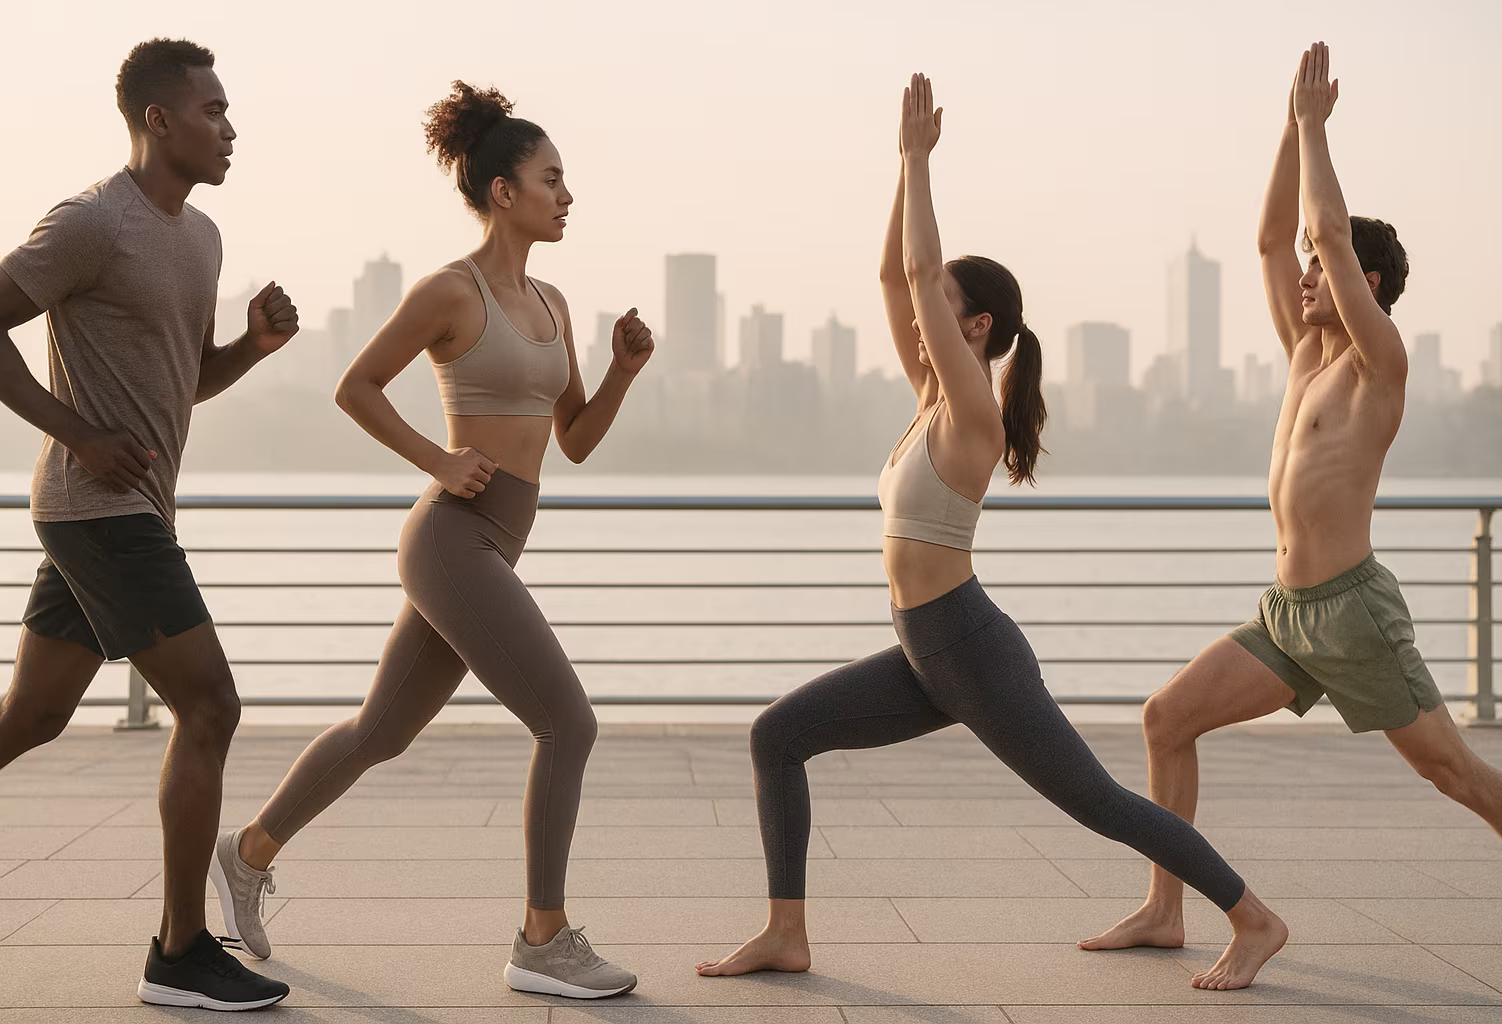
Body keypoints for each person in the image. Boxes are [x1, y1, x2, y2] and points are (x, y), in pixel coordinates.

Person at [696, 74, 1288, 992]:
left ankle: (1251, 918)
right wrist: (900, 168)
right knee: (780, 735)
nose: (922, 315)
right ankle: (785, 932)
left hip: (970, 650)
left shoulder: (974, 408)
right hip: (923, 652)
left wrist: (920, 161)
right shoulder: (932, 397)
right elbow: (898, 277)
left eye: (946, 309)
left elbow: (921, 280)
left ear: (975, 327)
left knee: (1097, 801)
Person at [1082, 41, 1502, 957]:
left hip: (1356, 618)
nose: (1304, 274)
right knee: (1167, 717)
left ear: (1366, 286)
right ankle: (1166, 910)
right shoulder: (1305, 351)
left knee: (1454, 772)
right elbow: (1272, 238)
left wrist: (1318, 129)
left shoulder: (1380, 364)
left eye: (1322, 269)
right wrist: (1289, 133)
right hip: (1289, 615)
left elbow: (1325, 233)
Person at [209, 80, 655, 999]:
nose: (568, 196)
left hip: (500, 536)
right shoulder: (450, 291)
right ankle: (543, 938)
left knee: (381, 731)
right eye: (552, 179)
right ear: (503, 191)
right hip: (452, 539)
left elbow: (572, 440)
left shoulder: (555, 300)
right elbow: (357, 385)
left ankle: (246, 853)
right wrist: (439, 461)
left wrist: (622, 371)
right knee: (567, 721)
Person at [0, 39, 297, 1011]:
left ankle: (180, 950)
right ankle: (179, 949)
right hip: (100, 512)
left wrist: (251, 347)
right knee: (210, 706)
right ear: (157, 120)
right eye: (212, 110)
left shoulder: (201, 237)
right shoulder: (92, 222)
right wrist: (77, 431)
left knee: (33, 719)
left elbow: (187, 379)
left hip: (118, 510)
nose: (231, 127)